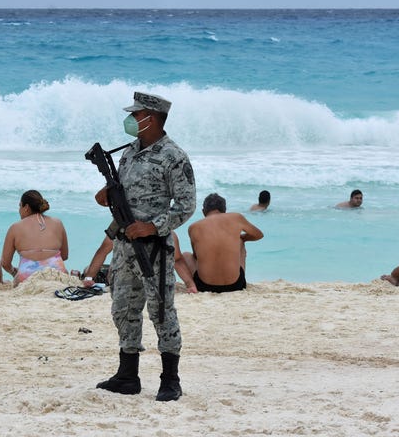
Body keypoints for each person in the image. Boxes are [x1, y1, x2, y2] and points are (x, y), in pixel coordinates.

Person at [94, 91, 196, 401]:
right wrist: (107, 195)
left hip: (153, 248)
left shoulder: (174, 157)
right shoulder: (128, 153)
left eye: (136, 115)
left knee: (161, 310)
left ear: (151, 118)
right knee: (124, 308)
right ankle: (128, 375)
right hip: (124, 247)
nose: (132, 119)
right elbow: (124, 196)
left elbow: (187, 205)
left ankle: (170, 379)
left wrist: (152, 227)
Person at [183, 193, 263, 293]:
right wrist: (241, 238)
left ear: (204, 212)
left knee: (186, 255)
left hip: (204, 286)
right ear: (225, 210)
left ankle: (191, 285)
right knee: (240, 242)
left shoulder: (193, 227)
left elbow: (196, 256)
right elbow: (258, 235)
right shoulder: (236, 217)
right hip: (236, 285)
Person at [79, 231, 198, 293]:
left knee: (88, 270)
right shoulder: (169, 233)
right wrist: (190, 285)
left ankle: (83, 275)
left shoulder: (122, 227)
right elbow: (177, 260)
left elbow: (103, 251)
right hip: (156, 284)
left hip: (125, 282)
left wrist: (89, 278)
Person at [1, 190, 69, 286]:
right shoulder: (58, 223)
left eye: (20, 206)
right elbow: (65, 256)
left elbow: (5, 263)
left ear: (26, 208)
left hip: (27, 277)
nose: (19, 210)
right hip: (56, 275)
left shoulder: (15, 227)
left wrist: (13, 272)